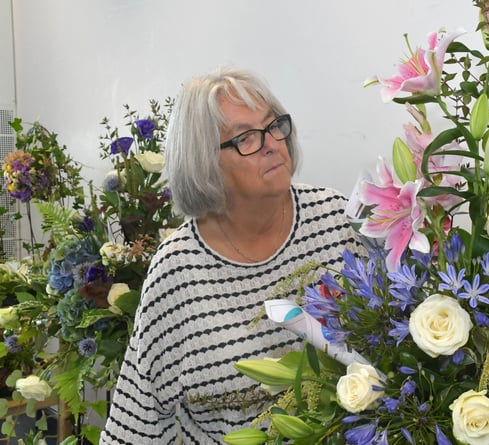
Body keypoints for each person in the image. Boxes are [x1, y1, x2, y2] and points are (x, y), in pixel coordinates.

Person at [100, 66, 363, 444]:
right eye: (246, 138)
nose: (272, 142)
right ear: (205, 162)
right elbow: (136, 422)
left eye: (274, 126)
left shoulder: (336, 221)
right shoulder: (178, 270)